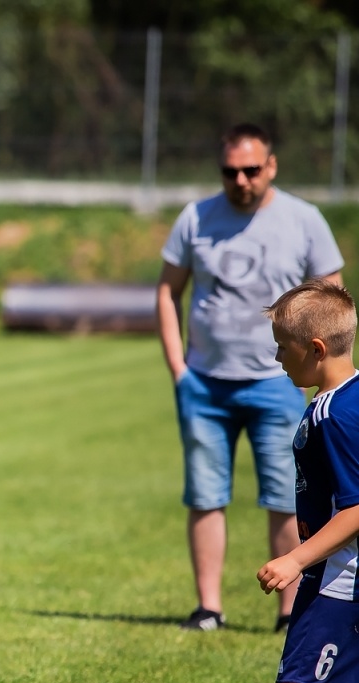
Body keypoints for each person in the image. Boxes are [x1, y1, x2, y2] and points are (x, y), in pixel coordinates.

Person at [157, 123, 344, 632]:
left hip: (278, 383)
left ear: (272, 166)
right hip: (205, 381)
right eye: (230, 171)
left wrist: (321, 373)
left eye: (251, 170)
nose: (240, 179)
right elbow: (168, 290)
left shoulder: (303, 220)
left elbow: (333, 298)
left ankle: (289, 611)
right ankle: (208, 608)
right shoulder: (195, 217)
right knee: (204, 494)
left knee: (288, 496)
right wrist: (178, 366)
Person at [238, 281, 359, 683]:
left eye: (282, 347)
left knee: (297, 678)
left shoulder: (335, 413)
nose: (276, 357)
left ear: (315, 347)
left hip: (340, 573)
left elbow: (356, 509)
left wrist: (295, 559)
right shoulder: (343, 401)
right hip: (340, 571)